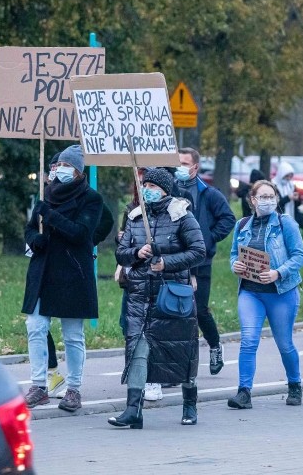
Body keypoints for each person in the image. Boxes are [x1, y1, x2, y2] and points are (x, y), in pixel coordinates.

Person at [109, 168, 205, 428]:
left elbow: (198, 251)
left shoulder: (182, 215)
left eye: (152, 185)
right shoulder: (135, 217)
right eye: (144, 184)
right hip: (140, 297)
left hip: (172, 297)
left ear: (165, 189)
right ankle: (133, 410)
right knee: (137, 352)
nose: (147, 189)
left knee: (179, 350)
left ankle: (189, 404)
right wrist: (137, 253)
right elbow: (121, 253)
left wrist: (166, 261)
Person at [22, 145, 102, 413]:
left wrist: (51, 216)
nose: (60, 170)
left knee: (72, 335)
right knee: (35, 326)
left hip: (72, 274)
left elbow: (81, 234)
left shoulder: (91, 199)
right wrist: (35, 240)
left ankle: (74, 389)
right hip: (43, 271)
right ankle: (38, 384)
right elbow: (31, 227)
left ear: (79, 172)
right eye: (58, 166)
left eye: (67, 166)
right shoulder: (46, 194)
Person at [228, 180, 303, 409]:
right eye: (262, 197)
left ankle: (295, 385)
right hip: (251, 292)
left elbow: (299, 256)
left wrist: (278, 273)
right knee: (249, 341)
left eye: (271, 196)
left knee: (284, 344)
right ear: (253, 200)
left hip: (281, 293)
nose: (268, 201)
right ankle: (244, 392)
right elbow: (234, 254)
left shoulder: (286, 224)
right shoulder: (242, 225)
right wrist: (235, 265)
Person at [175, 147, 236, 376]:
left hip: (200, 263)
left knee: (198, 310)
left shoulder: (208, 193)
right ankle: (180, 364)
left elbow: (228, 219)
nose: (180, 166)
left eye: (184, 163)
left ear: (195, 167)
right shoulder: (171, 188)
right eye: (177, 162)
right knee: (177, 312)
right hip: (175, 261)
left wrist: (208, 238)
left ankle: (214, 345)